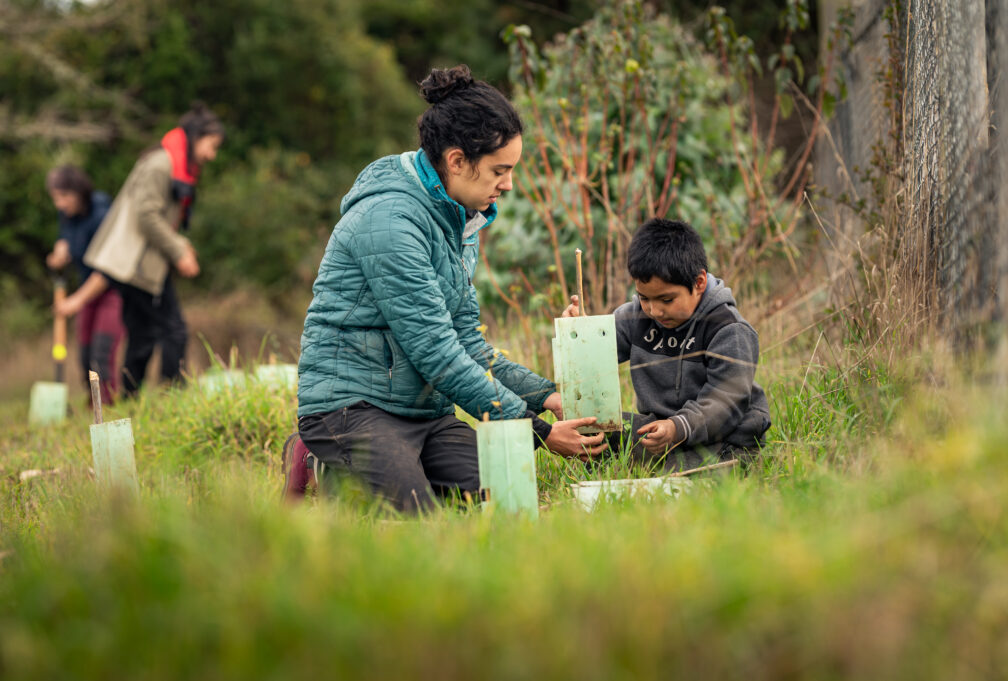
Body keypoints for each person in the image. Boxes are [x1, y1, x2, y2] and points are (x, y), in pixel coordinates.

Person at [296, 65, 606, 513]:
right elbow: (436, 352)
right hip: (352, 409)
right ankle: (318, 465)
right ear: (457, 161)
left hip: (424, 415)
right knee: (415, 517)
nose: (509, 184)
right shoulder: (389, 222)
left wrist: (545, 396)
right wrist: (535, 429)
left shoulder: (458, 218)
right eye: (500, 170)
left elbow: (467, 343)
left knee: (507, 500)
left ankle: (393, 471)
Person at [563, 218, 771, 471]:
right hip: (660, 432)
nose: (654, 310)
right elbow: (596, 352)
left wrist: (678, 427)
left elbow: (725, 403)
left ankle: (665, 470)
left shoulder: (729, 330)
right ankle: (650, 467)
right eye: (644, 298)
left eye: (667, 299)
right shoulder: (635, 316)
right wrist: (580, 333)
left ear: (699, 283)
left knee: (712, 465)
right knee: (596, 427)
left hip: (722, 437)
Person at [84, 103, 223, 397]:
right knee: (174, 330)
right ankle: (173, 398)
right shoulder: (162, 164)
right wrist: (179, 252)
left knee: (143, 335)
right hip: (136, 266)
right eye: (212, 145)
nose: (213, 154)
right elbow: (147, 215)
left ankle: (130, 397)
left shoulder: (173, 165)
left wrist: (180, 246)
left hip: (139, 265)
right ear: (197, 137)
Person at [44, 165, 124, 403]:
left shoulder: (102, 214)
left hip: (111, 290)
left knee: (102, 353)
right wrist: (61, 250)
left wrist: (75, 301)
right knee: (85, 356)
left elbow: (107, 269)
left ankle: (108, 409)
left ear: (79, 192)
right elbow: (67, 238)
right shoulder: (66, 214)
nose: (60, 204)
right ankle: (93, 408)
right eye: (56, 198)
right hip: (85, 288)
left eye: (65, 197)